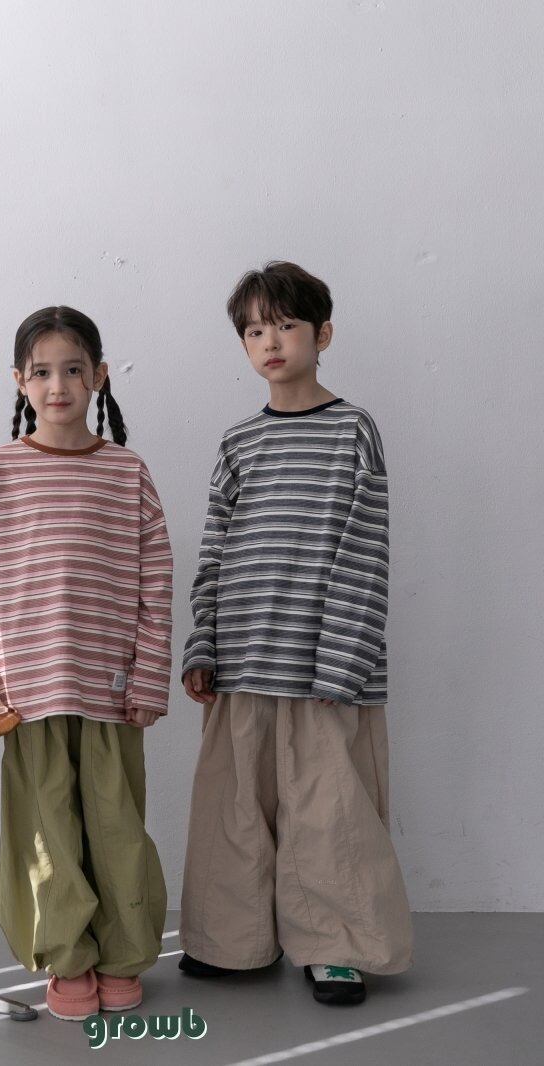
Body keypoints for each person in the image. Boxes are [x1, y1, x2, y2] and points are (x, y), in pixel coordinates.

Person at [178, 261, 413, 1006]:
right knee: (234, 809)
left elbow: (366, 549)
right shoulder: (238, 443)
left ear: (323, 334)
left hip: (323, 668)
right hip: (245, 660)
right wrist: (203, 643)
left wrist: (343, 659)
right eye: (255, 331)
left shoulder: (353, 430)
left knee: (329, 815)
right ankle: (231, 942)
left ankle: (333, 947)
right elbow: (215, 549)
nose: (270, 342)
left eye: (285, 325)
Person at [0, 306, 172, 1021]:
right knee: (47, 834)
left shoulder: (128, 472)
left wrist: (150, 675)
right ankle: (70, 960)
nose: (58, 385)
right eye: (42, 372)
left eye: (73, 369)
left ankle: (124, 956)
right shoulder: (0, 470)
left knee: (117, 829)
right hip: (30, 689)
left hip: (110, 687)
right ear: (19, 381)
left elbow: (156, 583)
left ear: (99, 375)